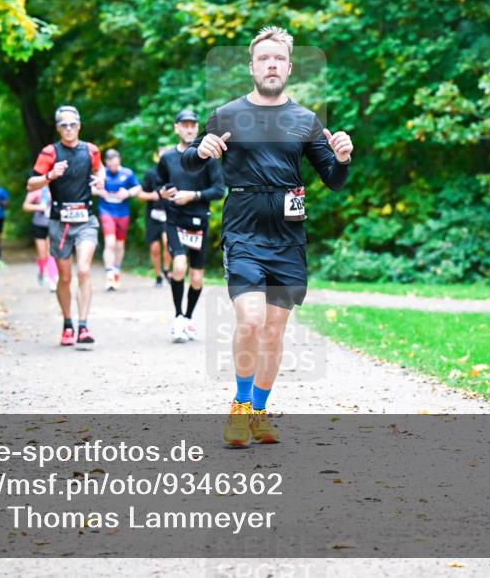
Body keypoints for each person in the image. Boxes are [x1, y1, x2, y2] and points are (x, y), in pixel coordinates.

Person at [181, 26, 353, 446]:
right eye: (264, 58)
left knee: (274, 331)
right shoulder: (226, 115)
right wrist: (200, 151)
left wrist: (344, 158)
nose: (271, 64)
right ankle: (239, 408)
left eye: (278, 59)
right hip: (243, 231)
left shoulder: (305, 121)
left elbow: (332, 179)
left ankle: (259, 411)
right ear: (252, 66)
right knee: (252, 319)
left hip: (288, 237)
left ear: (289, 67)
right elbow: (190, 164)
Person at [26, 105, 105, 349]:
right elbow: (30, 184)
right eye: (64, 125)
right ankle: (67, 324)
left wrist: (101, 177)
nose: (68, 129)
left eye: (72, 124)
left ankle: (83, 326)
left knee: (83, 270)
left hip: (85, 221)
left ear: (79, 126)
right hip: (60, 223)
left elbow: (99, 168)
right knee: (65, 277)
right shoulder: (50, 152)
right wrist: (49, 175)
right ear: (58, 128)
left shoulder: (90, 150)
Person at [159, 109, 226, 343]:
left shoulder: (209, 157)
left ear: (197, 129)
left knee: (196, 278)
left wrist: (193, 195)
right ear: (176, 127)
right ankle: (178, 317)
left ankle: (188, 318)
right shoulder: (167, 157)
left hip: (198, 221)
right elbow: (160, 187)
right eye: (184, 125)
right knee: (178, 266)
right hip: (174, 219)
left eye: (192, 125)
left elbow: (219, 190)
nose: (189, 129)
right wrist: (163, 192)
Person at [94, 149, 140, 291]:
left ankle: (117, 270)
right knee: (110, 243)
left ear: (119, 160)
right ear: (107, 163)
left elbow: (138, 187)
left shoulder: (127, 173)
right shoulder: (101, 174)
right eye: (111, 165)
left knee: (119, 245)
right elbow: (90, 189)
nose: (114, 167)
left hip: (122, 212)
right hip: (106, 210)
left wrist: (128, 193)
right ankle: (109, 275)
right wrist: (99, 192)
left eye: (116, 164)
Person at [135, 147, 173, 288]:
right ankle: (158, 276)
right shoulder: (150, 173)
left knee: (168, 242)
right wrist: (155, 196)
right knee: (155, 248)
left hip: (169, 214)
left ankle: (166, 269)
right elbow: (140, 194)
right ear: (157, 157)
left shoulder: (175, 172)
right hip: (153, 215)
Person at [22, 184, 58, 291]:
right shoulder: (37, 189)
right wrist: (39, 207)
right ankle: (41, 270)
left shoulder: (58, 187)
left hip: (53, 223)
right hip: (39, 224)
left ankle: (53, 280)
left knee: (51, 252)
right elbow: (25, 206)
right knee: (42, 255)